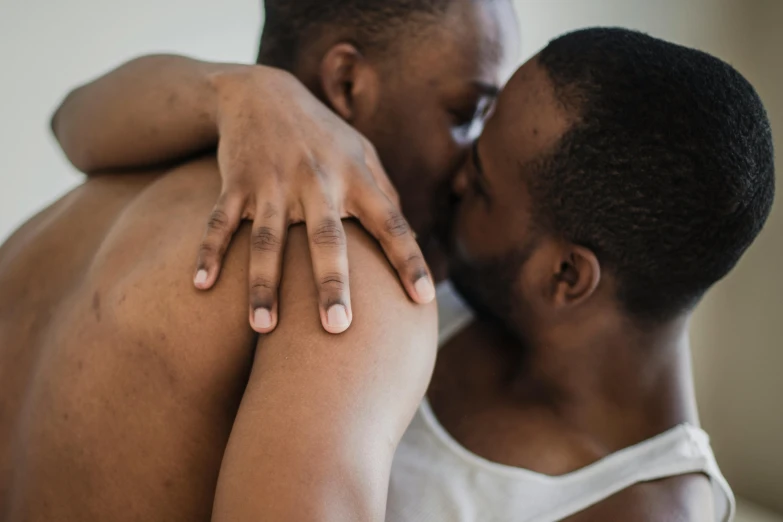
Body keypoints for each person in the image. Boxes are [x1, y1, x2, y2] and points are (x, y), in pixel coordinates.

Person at [51, 24, 775, 522]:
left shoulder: (638, 509)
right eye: (472, 123)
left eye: (484, 185)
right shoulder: (464, 282)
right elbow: (75, 122)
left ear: (565, 277)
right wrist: (249, 93)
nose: (453, 175)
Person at [0, 1, 518, 521]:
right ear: (346, 82)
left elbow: (68, 118)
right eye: (466, 114)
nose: (471, 168)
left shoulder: (91, 196)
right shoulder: (342, 274)